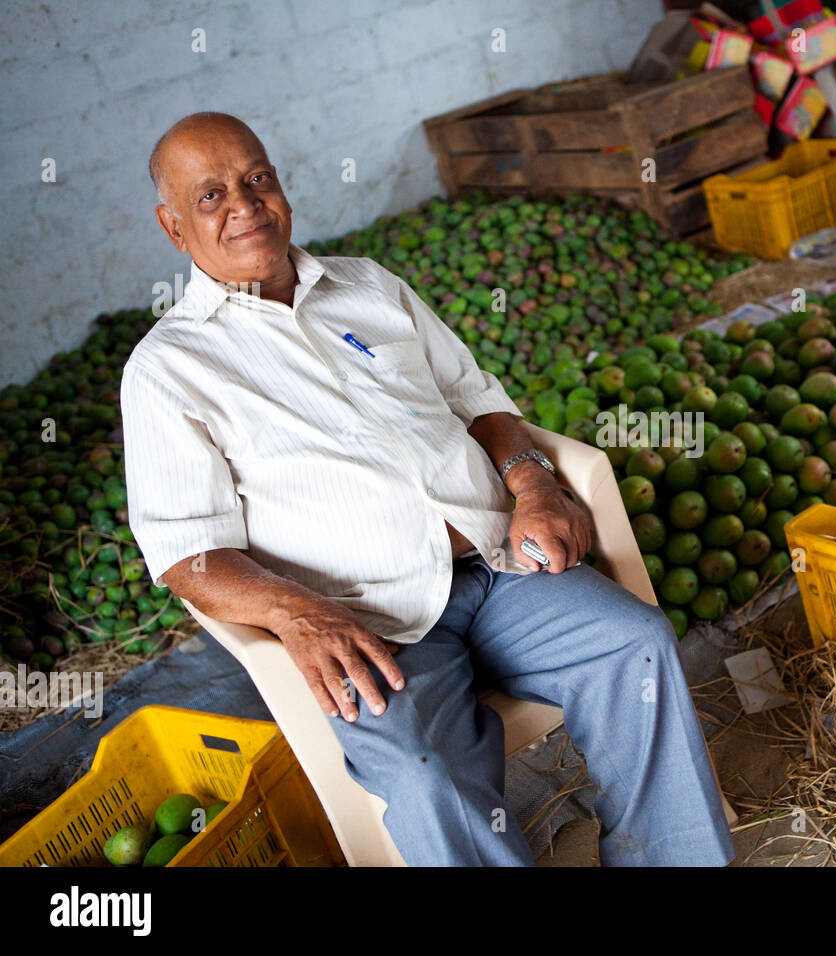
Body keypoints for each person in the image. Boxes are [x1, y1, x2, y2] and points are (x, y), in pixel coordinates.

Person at [121, 112, 734, 866]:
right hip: (366, 620)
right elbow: (189, 556)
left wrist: (532, 481)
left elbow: (478, 398)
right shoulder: (168, 369)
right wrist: (300, 616)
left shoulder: (369, 284)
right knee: (426, 773)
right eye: (210, 196)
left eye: (256, 179)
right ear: (173, 228)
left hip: (496, 564)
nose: (244, 204)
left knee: (635, 644)